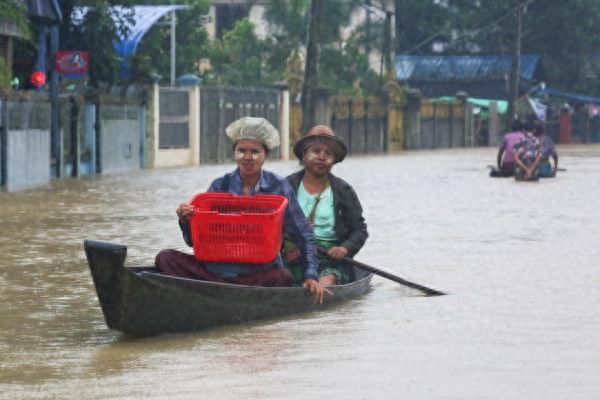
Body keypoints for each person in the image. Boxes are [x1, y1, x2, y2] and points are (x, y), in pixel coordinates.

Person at [155, 116, 329, 303]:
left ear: (265, 155)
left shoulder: (279, 187)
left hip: (256, 276)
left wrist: (311, 275)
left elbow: (305, 235)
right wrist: (185, 221)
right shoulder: (219, 185)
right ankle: (217, 289)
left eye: (254, 151)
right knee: (165, 258)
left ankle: (211, 293)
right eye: (241, 151)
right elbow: (194, 242)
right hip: (214, 273)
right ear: (234, 153)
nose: (247, 157)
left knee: (282, 276)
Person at [283, 125, 368, 286]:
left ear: (334, 159)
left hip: (329, 259)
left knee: (326, 281)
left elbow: (360, 230)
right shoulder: (286, 186)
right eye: (316, 151)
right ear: (304, 154)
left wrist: (343, 249)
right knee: (281, 277)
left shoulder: (344, 191)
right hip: (292, 254)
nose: (322, 157)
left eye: (328, 153)